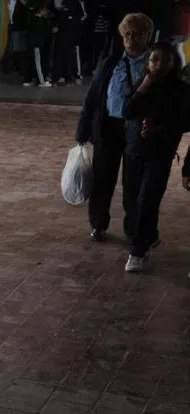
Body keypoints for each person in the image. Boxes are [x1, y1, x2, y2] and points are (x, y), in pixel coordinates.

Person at [77, 12, 153, 242]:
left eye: (137, 34)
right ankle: (98, 224)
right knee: (102, 179)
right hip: (108, 127)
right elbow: (92, 98)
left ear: (147, 36)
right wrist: (82, 130)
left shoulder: (154, 65)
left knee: (133, 184)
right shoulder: (111, 63)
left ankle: (133, 231)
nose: (131, 39)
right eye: (127, 34)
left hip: (136, 130)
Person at [120, 42, 190, 272]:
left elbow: (184, 122)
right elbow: (126, 111)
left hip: (160, 153)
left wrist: (158, 129)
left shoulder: (181, 90)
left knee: (146, 200)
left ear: (173, 63)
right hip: (133, 151)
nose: (158, 65)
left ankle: (137, 251)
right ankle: (147, 236)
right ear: (148, 62)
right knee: (131, 202)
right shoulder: (142, 82)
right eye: (154, 60)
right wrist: (142, 89)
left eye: (165, 60)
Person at [52, 0, 86, 84]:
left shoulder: (70, 10)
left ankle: (68, 75)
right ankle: (65, 75)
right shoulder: (63, 13)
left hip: (68, 37)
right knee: (64, 56)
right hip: (65, 37)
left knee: (67, 56)